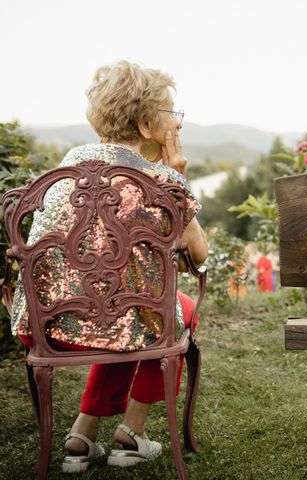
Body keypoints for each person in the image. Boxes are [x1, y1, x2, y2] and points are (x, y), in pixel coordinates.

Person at [9, 60, 208, 473]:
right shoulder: (156, 180)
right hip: (121, 322)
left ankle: (81, 436)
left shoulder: (60, 175)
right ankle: (131, 434)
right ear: (145, 125)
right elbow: (199, 254)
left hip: (48, 329)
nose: (178, 123)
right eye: (172, 111)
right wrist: (176, 177)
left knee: (122, 314)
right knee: (167, 310)